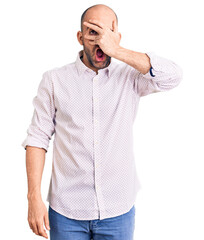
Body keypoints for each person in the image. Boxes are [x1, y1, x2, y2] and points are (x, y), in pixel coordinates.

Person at [22, 4, 183, 240]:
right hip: (66, 212)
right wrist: (33, 197)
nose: (101, 41)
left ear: (117, 37)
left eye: (107, 33)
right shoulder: (55, 80)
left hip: (118, 211)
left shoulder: (130, 77)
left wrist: (118, 51)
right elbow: (37, 138)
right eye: (93, 32)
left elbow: (174, 76)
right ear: (79, 37)